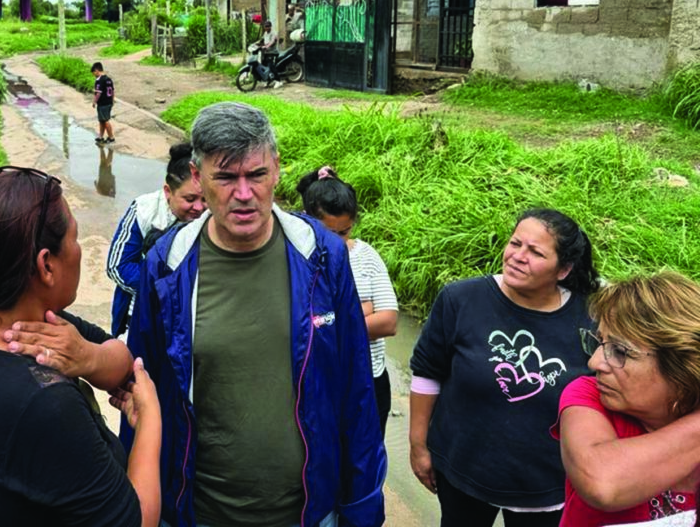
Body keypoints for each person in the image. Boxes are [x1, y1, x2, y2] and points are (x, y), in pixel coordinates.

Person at [128, 101, 386, 527]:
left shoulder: (323, 256)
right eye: (225, 178)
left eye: (257, 175)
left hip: (309, 512)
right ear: (197, 177)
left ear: (277, 170)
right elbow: (143, 394)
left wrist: (362, 509)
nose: (243, 194)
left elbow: (356, 392)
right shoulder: (167, 265)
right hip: (201, 511)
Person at [0, 166, 162, 527]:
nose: (80, 250)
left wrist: (89, 357)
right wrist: (150, 422)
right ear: (46, 265)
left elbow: (122, 361)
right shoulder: (44, 403)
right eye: (76, 238)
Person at [409, 208, 600, 527]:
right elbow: (428, 372)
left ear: (563, 269)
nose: (517, 256)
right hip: (463, 469)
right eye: (515, 243)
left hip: (549, 481)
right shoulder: (460, 299)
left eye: (536, 252)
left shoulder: (589, 317)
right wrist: (418, 445)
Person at [554, 271, 700, 526]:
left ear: (681, 370)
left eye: (619, 351)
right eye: (600, 342)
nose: (594, 362)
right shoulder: (587, 394)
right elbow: (603, 482)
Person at [296, 165, 398, 438]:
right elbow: (303, 326)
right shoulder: (298, 261)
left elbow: (388, 322)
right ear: (307, 219)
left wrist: (332, 318)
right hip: (318, 381)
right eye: (331, 233)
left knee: (367, 463)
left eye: (345, 231)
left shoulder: (367, 256)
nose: (339, 242)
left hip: (370, 381)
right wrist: (362, 309)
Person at [106, 142, 205, 336]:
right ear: (168, 191)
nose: (199, 208)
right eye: (190, 199)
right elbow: (118, 266)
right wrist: (167, 288)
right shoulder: (144, 211)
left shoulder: (214, 217)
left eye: (205, 198)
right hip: (140, 316)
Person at [92, 61, 116, 143]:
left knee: (105, 120)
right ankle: (101, 137)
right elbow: (112, 91)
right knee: (101, 120)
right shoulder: (108, 79)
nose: (93, 75)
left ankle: (111, 137)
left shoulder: (99, 81)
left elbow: (98, 93)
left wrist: (94, 102)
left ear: (97, 70)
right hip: (108, 102)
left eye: (93, 72)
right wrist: (112, 101)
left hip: (103, 103)